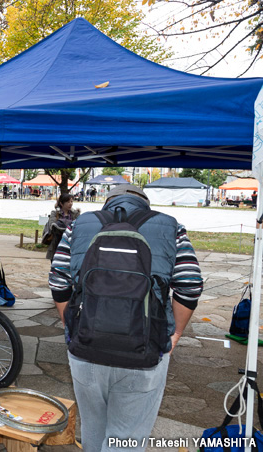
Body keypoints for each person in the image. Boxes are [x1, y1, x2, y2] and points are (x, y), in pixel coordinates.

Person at [48, 184, 203, 451]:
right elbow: (190, 285)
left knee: (94, 430)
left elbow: (58, 281)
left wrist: (71, 327)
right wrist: (174, 334)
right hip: (145, 352)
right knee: (126, 438)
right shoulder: (170, 227)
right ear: (145, 203)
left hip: (86, 349)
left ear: (108, 202)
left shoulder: (79, 225)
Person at [42, 194, 80, 261]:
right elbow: (52, 225)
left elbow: (78, 227)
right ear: (62, 204)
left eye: (71, 201)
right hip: (56, 245)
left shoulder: (75, 214)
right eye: (68, 202)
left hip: (70, 246)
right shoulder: (55, 213)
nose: (70, 204)